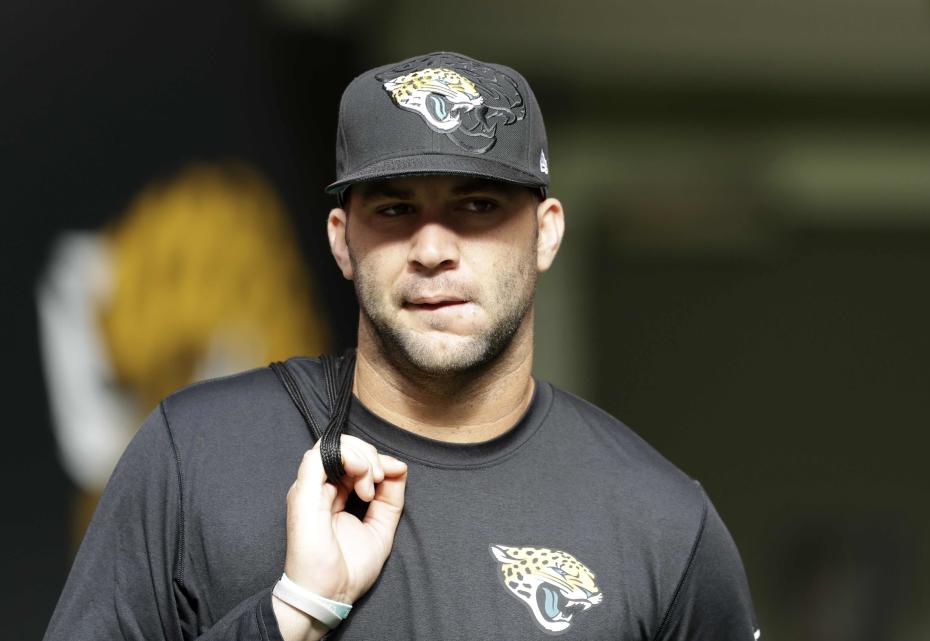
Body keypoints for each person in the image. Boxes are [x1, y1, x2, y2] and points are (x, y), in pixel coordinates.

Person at [44, 51, 760, 641]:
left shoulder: (659, 521)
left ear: (544, 231)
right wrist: (292, 612)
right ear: (341, 240)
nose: (432, 247)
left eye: (476, 205)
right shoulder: (196, 452)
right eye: (394, 208)